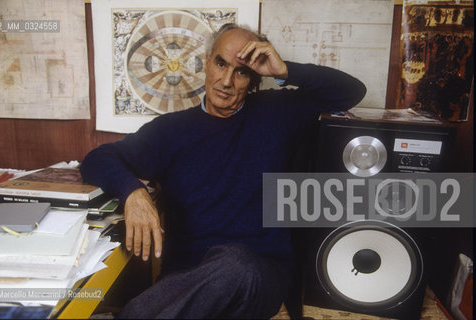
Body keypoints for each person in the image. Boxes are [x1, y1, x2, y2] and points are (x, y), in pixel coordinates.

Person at [80, 23, 366, 319]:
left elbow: (351, 91)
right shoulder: (171, 131)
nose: (226, 81)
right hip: (186, 278)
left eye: (241, 72)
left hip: (260, 273)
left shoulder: (277, 113)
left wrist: (284, 71)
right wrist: (133, 192)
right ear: (206, 63)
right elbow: (96, 159)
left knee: (235, 264)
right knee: (216, 280)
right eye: (220, 63)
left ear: (254, 80)